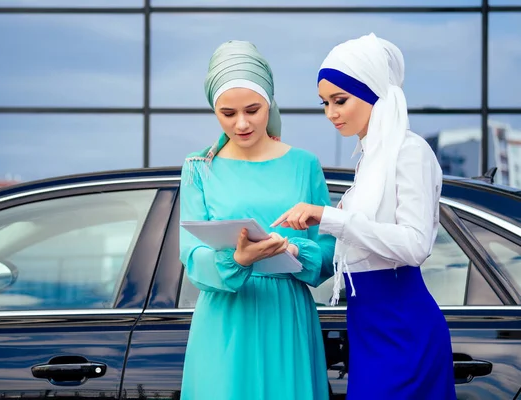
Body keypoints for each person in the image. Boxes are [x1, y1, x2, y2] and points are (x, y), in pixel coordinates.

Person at [271, 33, 457, 399]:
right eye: (324, 102)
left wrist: (330, 217)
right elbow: (357, 248)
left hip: (403, 329)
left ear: (373, 92)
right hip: (367, 328)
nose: (331, 113)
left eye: (340, 100)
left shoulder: (409, 151)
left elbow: (415, 245)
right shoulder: (369, 161)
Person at [178, 40, 336, 400]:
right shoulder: (199, 168)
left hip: (287, 315)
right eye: (227, 113)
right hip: (225, 317)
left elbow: (330, 249)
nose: (242, 123)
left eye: (253, 109)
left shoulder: (304, 164)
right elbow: (190, 254)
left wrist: (298, 250)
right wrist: (236, 260)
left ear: (270, 102)